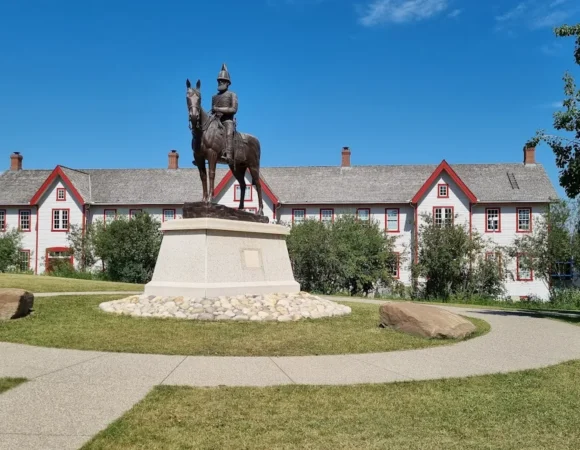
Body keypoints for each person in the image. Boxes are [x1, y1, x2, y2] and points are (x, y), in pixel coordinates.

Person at [211, 63, 238, 165]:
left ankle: (228, 155)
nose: (220, 82)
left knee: (228, 132)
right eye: (219, 81)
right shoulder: (214, 97)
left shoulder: (232, 95)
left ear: (227, 83)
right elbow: (212, 111)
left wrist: (218, 109)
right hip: (216, 121)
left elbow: (233, 109)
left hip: (227, 120)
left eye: (222, 80)